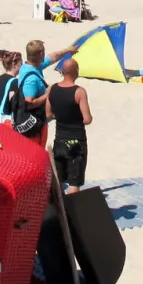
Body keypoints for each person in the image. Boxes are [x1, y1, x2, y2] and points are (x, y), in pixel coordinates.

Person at [47, 58, 92, 191]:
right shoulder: (79, 92)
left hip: (59, 139)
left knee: (59, 180)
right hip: (76, 141)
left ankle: (61, 209)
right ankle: (72, 210)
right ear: (76, 71)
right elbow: (87, 119)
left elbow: (48, 114)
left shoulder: (52, 89)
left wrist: (61, 116)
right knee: (74, 181)